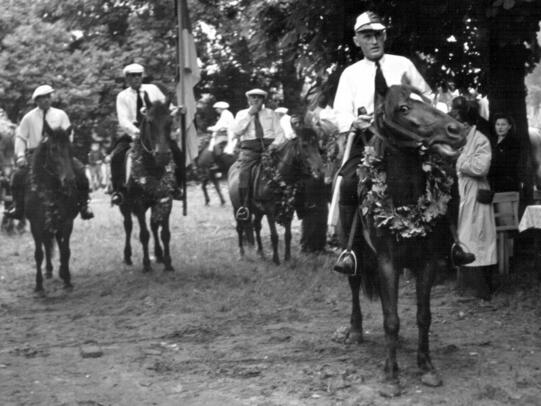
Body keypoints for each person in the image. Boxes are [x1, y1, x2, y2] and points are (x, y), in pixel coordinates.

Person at [331, 11, 473, 274]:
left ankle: (453, 243)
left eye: (378, 34)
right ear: (356, 40)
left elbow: (427, 96)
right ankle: (349, 249)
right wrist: (354, 121)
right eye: (367, 35)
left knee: (445, 178)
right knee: (349, 181)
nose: (374, 40)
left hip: (410, 141)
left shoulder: (403, 65)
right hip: (370, 141)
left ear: (384, 36)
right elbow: (340, 111)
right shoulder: (350, 74)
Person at [5, 85, 94, 221]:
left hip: (58, 153)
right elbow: (20, 137)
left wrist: (64, 149)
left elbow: (68, 134)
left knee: (80, 170)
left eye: (48, 97)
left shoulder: (61, 115)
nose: (46, 100)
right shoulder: (28, 118)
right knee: (17, 175)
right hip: (35, 154)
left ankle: (84, 205)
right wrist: (21, 156)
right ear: (37, 101)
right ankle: (18, 207)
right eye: (42, 98)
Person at [111, 63, 183, 205]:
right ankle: (118, 191)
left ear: (142, 76)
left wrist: (178, 111)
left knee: (177, 152)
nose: (136, 78)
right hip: (135, 131)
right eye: (132, 76)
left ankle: (177, 187)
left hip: (156, 130)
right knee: (117, 156)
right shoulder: (122, 96)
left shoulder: (153, 89)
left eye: (138, 75)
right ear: (126, 78)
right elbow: (123, 120)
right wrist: (136, 132)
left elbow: (168, 108)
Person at [451, 96, 497, 300]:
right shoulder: (462, 141)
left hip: (477, 193)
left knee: (477, 237)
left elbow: (481, 167)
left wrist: (459, 161)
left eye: (459, 123)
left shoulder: (481, 140)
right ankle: (466, 286)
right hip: (464, 193)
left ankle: (482, 288)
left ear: (467, 124)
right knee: (464, 238)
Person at [232, 88, 285, 220]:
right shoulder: (241, 114)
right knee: (244, 173)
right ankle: (244, 206)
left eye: (259, 97)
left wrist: (274, 145)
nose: (256, 99)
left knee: (285, 168)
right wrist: (250, 114)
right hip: (250, 150)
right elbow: (237, 131)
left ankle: (286, 202)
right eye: (253, 97)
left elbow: (280, 133)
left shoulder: (271, 113)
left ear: (263, 100)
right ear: (248, 100)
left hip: (270, 148)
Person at [489, 113, 520, 193]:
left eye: (503, 124)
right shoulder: (492, 141)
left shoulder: (514, 143)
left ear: (509, 126)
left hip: (507, 185)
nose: (500, 127)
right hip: (492, 184)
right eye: (497, 124)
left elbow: (510, 164)